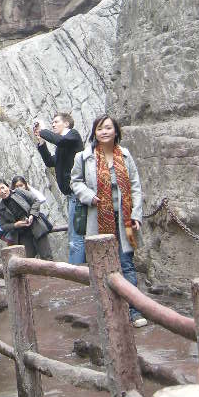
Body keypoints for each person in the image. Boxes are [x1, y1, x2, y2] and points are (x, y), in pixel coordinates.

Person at [70, 115, 147, 328]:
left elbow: (135, 186)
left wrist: (136, 215)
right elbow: (75, 182)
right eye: (99, 129)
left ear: (115, 131)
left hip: (125, 220)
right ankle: (108, 310)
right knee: (102, 265)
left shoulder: (125, 154)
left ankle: (134, 311)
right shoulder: (83, 157)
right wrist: (88, 195)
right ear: (94, 132)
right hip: (97, 217)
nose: (104, 132)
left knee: (127, 264)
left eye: (108, 128)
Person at [33, 112, 84, 265]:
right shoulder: (63, 145)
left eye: (56, 122)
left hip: (78, 193)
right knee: (76, 235)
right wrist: (41, 141)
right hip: (71, 195)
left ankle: (76, 272)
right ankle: (81, 270)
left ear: (66, 123)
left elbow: (60, 141)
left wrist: (42, 130)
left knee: (76, 237)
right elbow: (50, 161)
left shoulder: (73, 136)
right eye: (52, 122)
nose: (53, 124)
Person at [0, 178, 54, 260]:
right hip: (22, 234)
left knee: (47, 256)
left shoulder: (19, 192)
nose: (2, 191)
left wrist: (32, 215)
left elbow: (35, 200)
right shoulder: (0, 208)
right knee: (28, 261)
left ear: (7, 186)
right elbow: (3, 226)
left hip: (36, 226)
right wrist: (15, 225)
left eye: (3, 187)